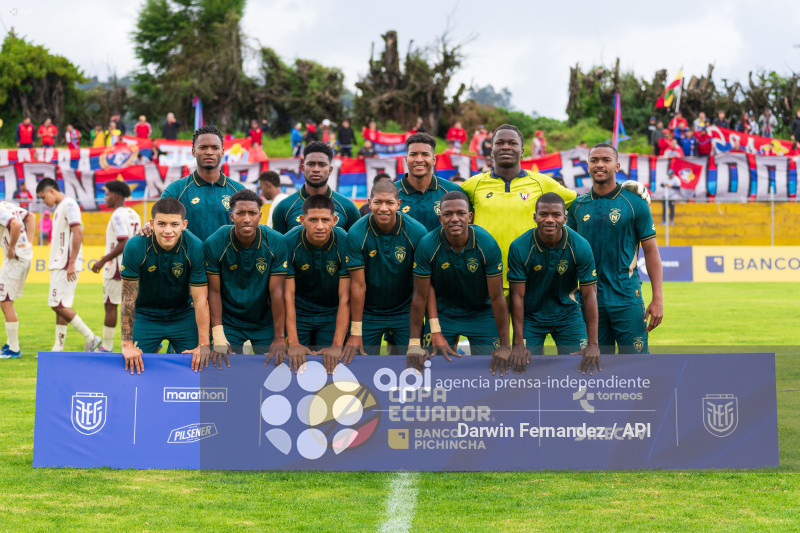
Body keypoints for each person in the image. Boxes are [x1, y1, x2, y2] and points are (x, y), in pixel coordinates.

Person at [567, 143, 663, 354]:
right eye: (594, 160)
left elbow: (651, 252)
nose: (600, 165)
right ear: (588, 165)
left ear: (617, 166)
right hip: (588, 301)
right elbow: (567, 252)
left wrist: (657, 299)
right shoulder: (577, 206)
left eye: (606, 160)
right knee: (595, 367)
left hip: (627, 298)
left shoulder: (635, 203)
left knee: (636, 368)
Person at [461, 124, 577, 294]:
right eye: (499, 143)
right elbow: (446, 206)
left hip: (530, 278)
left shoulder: (542, 182)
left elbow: (580, 204)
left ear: (522, 151)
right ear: (491, 150)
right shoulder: (474, 184)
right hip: (484, 278)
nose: (506, 147)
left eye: (512, 143)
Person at [406, 191, 511, 373]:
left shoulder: (487, 243)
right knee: (433, 368)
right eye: (448, 214)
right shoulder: (427, 244)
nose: (454, 219)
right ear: (440, 218)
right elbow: (420, 296)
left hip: (481, 314)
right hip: (443, 315)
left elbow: (497, 297)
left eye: (460, 213)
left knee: (493, 368)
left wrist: (506, 345)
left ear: (470, 216)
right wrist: (415, 343)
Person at [508, 193, 599, 374]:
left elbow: (589, 294)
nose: (549, 219)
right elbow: (516, 296)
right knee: (521, 370)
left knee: (581, 369)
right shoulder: (520, 247)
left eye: (556, 215)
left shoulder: (580, 245)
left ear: (565, 217)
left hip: (568, 315)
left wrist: (593, 344)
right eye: (543, 214)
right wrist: (518, 343)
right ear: (535, 217)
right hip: (531, 317)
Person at [119, 198, 209, 374]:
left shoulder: (195, 246)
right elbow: (128, 297)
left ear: (184, 224)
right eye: (161, 224)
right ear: (152, 224)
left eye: (174, 224)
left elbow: (200, 299)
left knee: (197, 366)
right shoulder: (135, 246)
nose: (168, 230)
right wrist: (126, 344)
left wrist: (203, 344)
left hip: (182, 315)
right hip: (145, 317)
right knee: (133, 367)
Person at [342, 180, 427, 358]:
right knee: (360, 365)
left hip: (405, 310)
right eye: (378, 202)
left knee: (416, 364)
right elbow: (358, 285)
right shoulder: (357, 232)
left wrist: (415, 339)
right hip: (369, 312)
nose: (383, 208)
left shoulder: (417, 231)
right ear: (369, 202)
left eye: (389, 203)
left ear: (399, 204)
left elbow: (423, 284)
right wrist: (356, 332)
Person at [205, 189, 288, 366]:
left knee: (273, 369)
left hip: (264, 321)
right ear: (231, 216)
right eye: (240, 213)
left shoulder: (276, 241)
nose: (247, 219)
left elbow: (277, 292)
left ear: (260, 215)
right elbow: (213, 290)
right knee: (222, 367)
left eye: (252, 213)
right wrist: (218, 334)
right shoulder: (215, 242)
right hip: (229, 321)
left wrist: (280, 338)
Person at [284, 195, 351, 373]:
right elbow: (287, 297)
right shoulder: (288, 242)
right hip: (298, 313)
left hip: (332, 313)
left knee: (330, 369)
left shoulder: (346, 242)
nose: (320, 226)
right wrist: (294, 343)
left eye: (325, 220)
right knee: (292, 367)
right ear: (302, 220)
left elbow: (346, 297)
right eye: (313, 220)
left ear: (334, 220)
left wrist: (337, 345)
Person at [35, 178, 102, 352]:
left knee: (57, 305)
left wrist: (71, 262)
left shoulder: (69, 204)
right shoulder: (60, 207)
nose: (43, 202)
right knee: (61, 305)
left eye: (43, 197)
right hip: (61, 263)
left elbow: (77, 231)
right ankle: (58, 347)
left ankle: (91, 337)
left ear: (51, 191)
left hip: (65, 264)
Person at [161, 124, 245, 241]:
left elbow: (249, 231)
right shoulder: (176, 190)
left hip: (227, 259)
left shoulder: (239, 191)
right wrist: (148, 227)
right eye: (203, 147)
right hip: (189, 259)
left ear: (222, 152)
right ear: (194, 152)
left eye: (215, 147)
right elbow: (159, 225)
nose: (209, 152)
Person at [90, 181, 141, 352]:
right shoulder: (133, 213)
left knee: (111, 305)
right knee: (133, 306)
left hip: (117, 268)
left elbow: (123, 241)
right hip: (135, 266)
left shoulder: (117, 215)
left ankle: (107, 346)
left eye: (107, 194)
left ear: (117, 195)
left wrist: (102, 260)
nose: (105, 198)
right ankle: (143, 341)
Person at [271, 141, 360, 234]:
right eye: (311, 164)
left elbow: (355, 246)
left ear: (330, 170)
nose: (316, 169)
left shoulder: (348, 208)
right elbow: (278, 247)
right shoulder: (284, 207)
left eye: (322, 165)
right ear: (303, 168)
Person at [396, 133, 463, 232]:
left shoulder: (453, 191)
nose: (419, 159)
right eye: (413, 154)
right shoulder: (391, 193)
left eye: (425, 154)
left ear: (434, 160)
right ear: (406, 160)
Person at [0, 201, 35, 358]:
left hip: (16, 259)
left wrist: (12, 247)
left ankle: (14, 349)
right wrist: (29, 243)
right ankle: (11, 344)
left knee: (5, 300)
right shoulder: (7, 205)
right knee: (5, 299)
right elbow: (31, 217)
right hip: (23, 256)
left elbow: (14, 225)